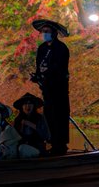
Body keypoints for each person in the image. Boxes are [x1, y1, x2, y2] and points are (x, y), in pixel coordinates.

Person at [30, 18, 71, 155]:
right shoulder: (42, 48)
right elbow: (39, 66)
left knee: (60, 114)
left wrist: (48, 72)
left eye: (47, 31)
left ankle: (61, 144)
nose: (44, 34)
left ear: (54, 33)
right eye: (43, 32)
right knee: (48, 115)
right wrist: (37, 76)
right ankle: (51, 142)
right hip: (46, 88)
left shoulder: (61, 48)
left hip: (59, 88)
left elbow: (60, 67)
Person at [13, 92, 51, 158]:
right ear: (21, 106)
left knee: (23, 149)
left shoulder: (40, 118)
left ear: (34, 106)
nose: (28, 106)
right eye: (25, 104)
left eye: (30, 103)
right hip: (21, 148)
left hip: (37, 148)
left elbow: (46, 136)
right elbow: (14, 137)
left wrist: (32, 125)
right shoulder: (17, 119)